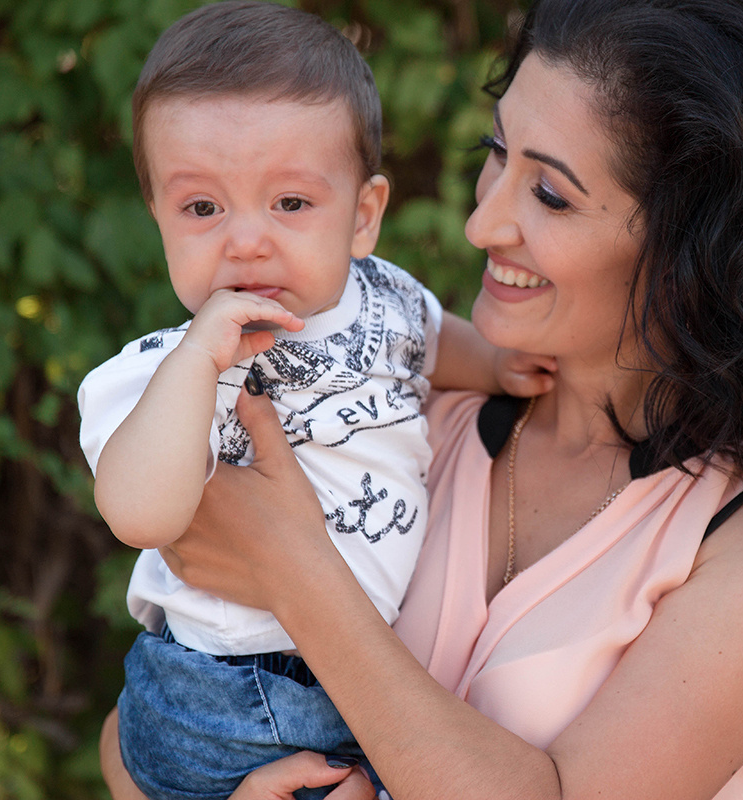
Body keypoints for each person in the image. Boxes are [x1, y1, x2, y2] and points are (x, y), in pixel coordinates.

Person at [99, 0, 743, 797]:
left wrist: (296, 572)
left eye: (548, 193)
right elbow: (135, 738)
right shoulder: (399, 416)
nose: (481, 223)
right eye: (496, 152)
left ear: (690, 248)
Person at [78, 3, 549, 799]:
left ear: (363, 217)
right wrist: (200, 362)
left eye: (290, 203)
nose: (246, 240)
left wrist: (503, 367)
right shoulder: (155, 374)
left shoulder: (386, 298)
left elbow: (441, 344)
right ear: (158, 218)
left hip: (362, 671)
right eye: (202, 208)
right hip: (219, 694)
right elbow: (142, 517)